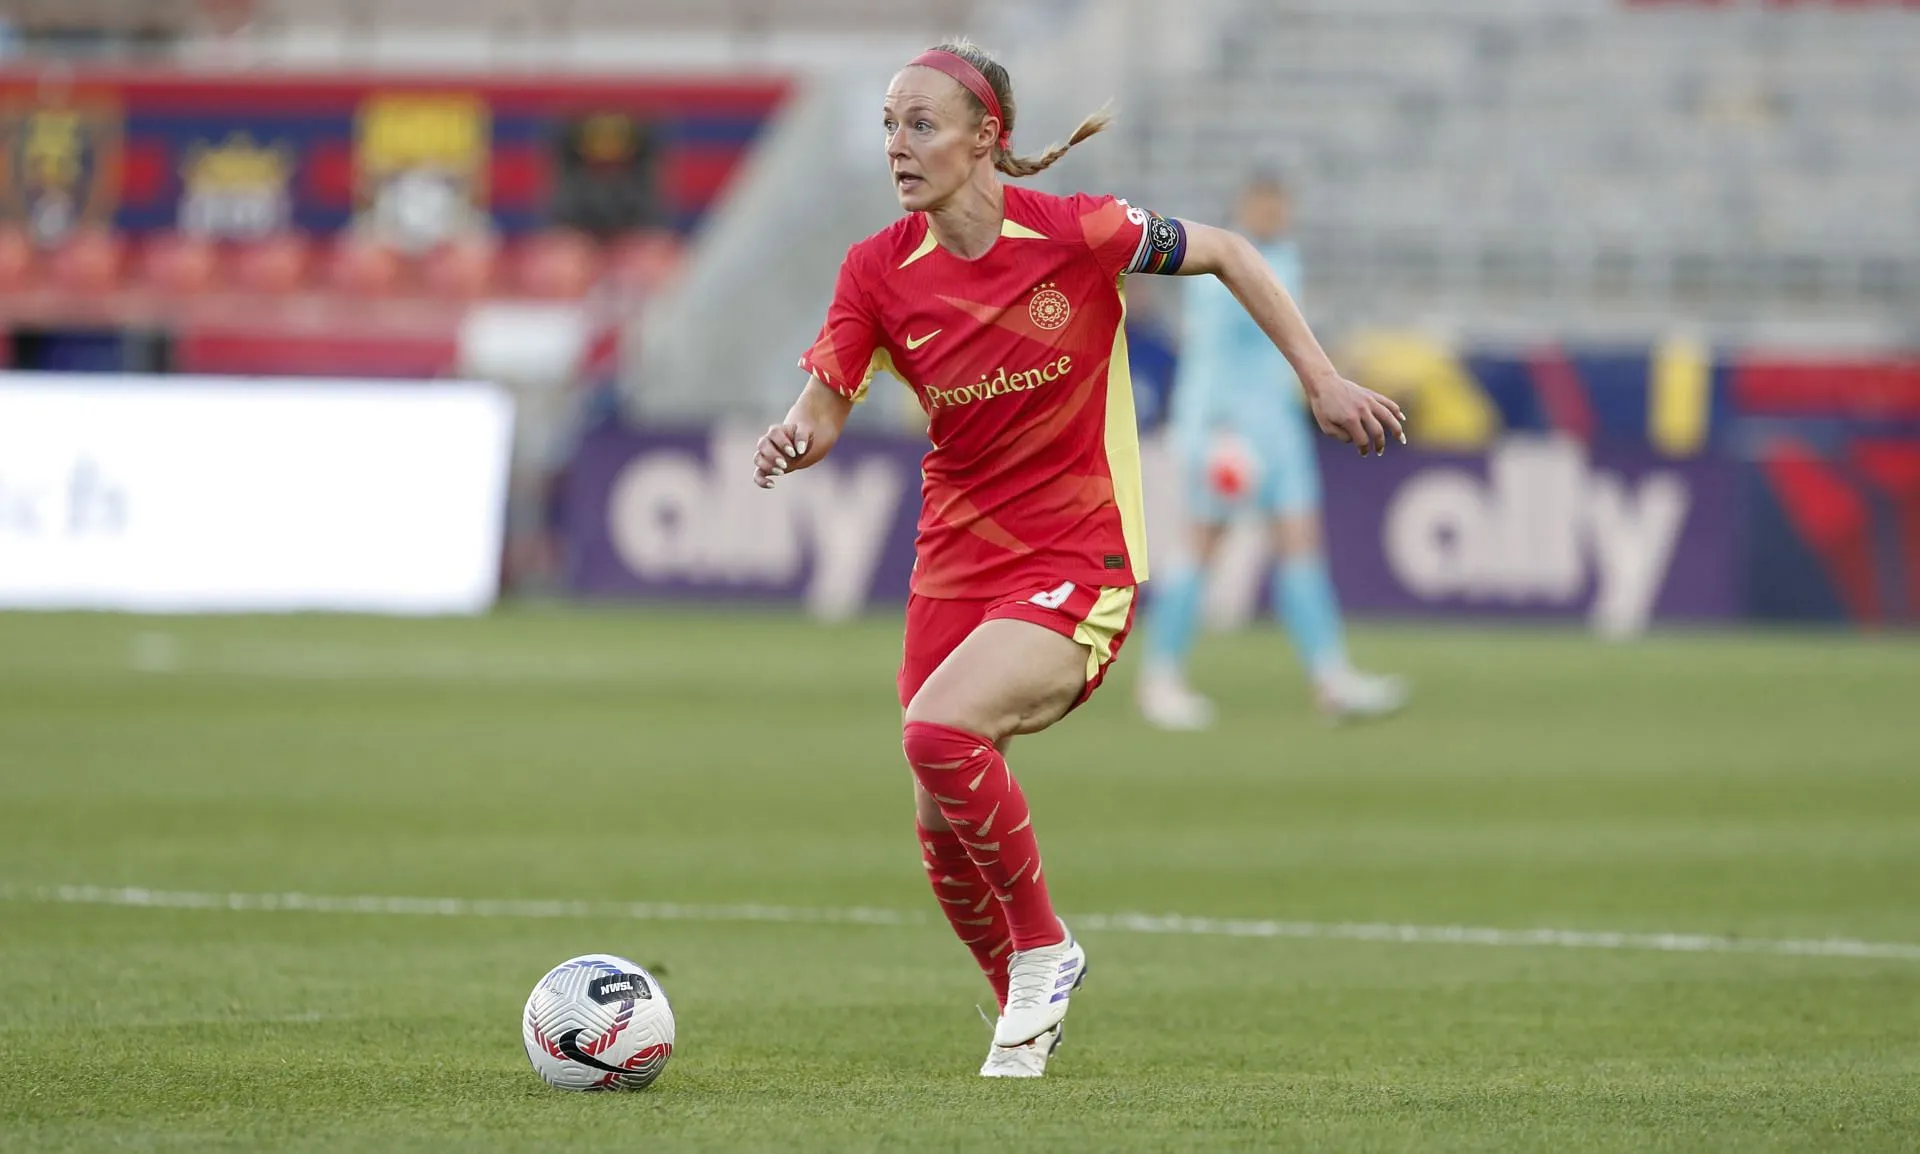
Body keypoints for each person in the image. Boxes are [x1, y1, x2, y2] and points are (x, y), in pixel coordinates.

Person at [750, 41, 1404, 1079]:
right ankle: (1021, 1006)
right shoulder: (876, 270)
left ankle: (1047, 948)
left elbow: (1230, 249)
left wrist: (1319, 378)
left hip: (1076, 555)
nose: (897, 145)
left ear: (985, 138)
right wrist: (794, 433)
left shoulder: (1076, 231)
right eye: (888, 125)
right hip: (951, 565)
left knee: (938, 729)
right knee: (937, 815)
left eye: (920, 123)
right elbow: (826, 401)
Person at [1135, 174, 1409, 730]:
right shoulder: (1217, 269)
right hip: (1227, 427)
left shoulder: (1284, 260)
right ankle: (1159, 678)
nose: (1273, 215)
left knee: (1301, 547)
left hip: (1278, 427)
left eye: (1280, 206)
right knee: (1202, 544)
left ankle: (1331, 678)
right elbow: (1208, 356)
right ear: (1243, 208)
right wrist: (1217, 431)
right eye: (1264, 205)